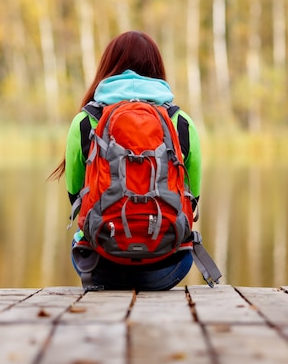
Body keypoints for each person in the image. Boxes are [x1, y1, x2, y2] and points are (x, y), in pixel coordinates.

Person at [50, 30, 202, 291]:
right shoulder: (181, 122)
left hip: (97, 266)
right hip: (167, 268)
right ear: (157, 68)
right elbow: (193, 200)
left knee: (80, 237)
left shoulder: (85, 121)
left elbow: (77, 196)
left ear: (109, 67)